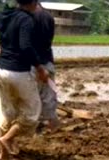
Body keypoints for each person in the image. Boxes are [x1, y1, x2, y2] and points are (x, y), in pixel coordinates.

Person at [0, 0, 49, 160]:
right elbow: (25, 47)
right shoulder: (26, 19)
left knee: (5, 110)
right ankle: (7, 138)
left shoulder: (4, 14)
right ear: (33, 3)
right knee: (32, 113)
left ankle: (4, 153)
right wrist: (40, 68)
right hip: (18, 73)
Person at [33, 3, 60, 132]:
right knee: (48, 95)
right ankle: (52, 124)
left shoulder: (24, 16)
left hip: (28, 64)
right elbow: (48, 40)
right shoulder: (48, 17)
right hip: (45, 61)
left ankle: (34, 124)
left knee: (33, 96)